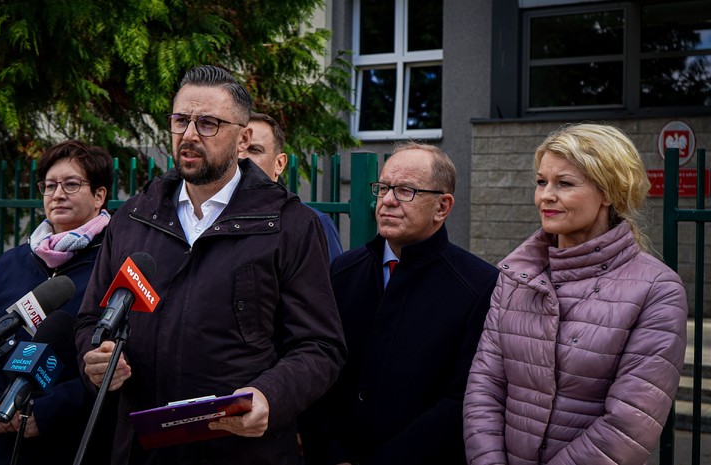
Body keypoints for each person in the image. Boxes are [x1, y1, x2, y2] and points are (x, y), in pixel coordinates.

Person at [75, 65, 346, 465]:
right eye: (180, 120)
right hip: (142, 451)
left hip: (243, 451)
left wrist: (269, 397)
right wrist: (96, 358)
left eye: (207, 124)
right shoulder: (134, 217)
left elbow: (320, 346)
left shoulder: (289, 224)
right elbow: (90, 320)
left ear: (243, 139)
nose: (188, 135)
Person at [463, 123, 688, 465]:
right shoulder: (515, 276)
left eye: (564, 183)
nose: (545, 196)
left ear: (609, 192)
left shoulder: (657, 289)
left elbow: (627, 426)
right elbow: (484, 387)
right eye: (541, 182)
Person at [300, 142, 498, 465]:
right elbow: (316, 366)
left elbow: (461, 399)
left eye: (406, 190)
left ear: (442, 207)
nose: (388, 200)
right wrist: (330, 453)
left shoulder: (479, 286)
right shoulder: (342, 271)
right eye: (383, 187)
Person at [0, 140, 114, 465]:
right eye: (50, 185)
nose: (57, 194)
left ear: (99, 195)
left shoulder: (112, 264)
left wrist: (45, 412)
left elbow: (119, 363)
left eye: (71, 184)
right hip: (3, 441)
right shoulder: (12, 263)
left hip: (72, 442)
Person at [239, 111, 343, 262]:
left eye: (254, 150)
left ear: (279, 163)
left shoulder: (311, 223)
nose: (240, 157)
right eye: (236, 150)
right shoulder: (209, 217)